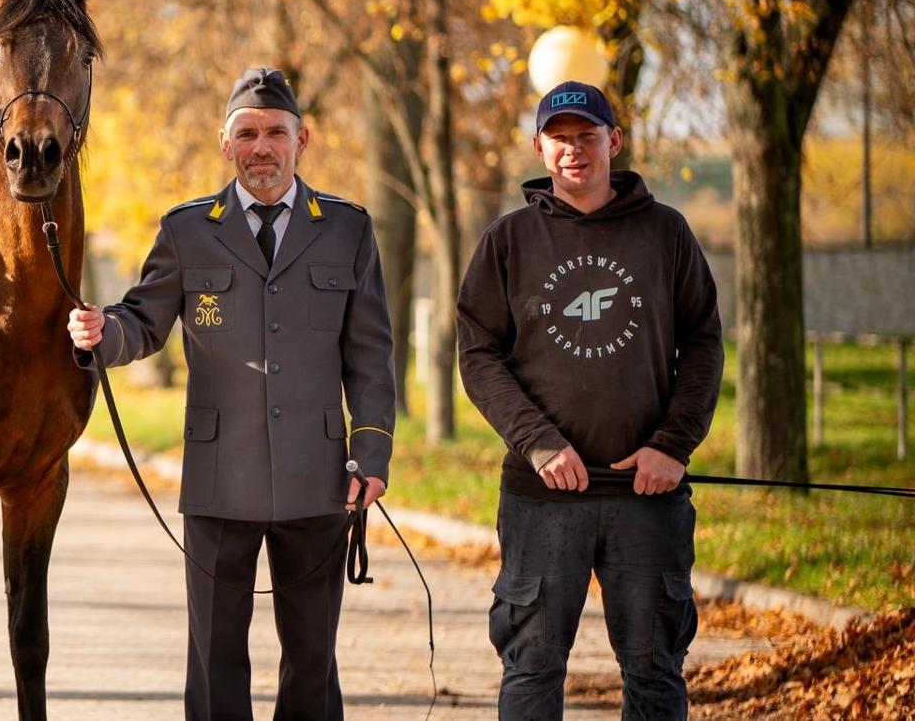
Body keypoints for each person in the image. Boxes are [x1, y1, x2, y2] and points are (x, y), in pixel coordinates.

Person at [66, 68, 396, 721]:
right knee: (215, 659)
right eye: (247, 133)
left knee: (312, 659)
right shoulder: (189, 231)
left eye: (277, 132)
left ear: (304, 141)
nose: (262, 147)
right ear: (226, 145)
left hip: (319, 478)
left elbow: (370, 355)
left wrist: (372, 455)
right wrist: (101, 334)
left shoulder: (347, 230)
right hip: (220, 480)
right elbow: (144, 321)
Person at [457, 81, 723, 720]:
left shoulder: (665, 233)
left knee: (656, 673)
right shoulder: (508, 241)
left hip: (646, 498)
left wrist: (672, 445)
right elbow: (477, 355)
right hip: (541, 499)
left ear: (614, 141)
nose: (574, 151)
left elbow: (704, 344)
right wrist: (539, 441)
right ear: (540, 148)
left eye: (587, 136)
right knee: (532, 670)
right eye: (560, 138)